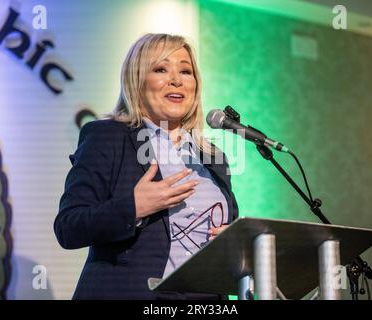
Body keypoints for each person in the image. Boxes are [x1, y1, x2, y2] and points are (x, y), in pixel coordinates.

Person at [54, 33, 239, 300]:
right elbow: (68, 227)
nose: (176, 80)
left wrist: (232, 244)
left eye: (186, 71)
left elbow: (227, 237)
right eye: (161, 69)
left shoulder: (214, 157)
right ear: (137, 81)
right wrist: (133, 208)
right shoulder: (107, 136)